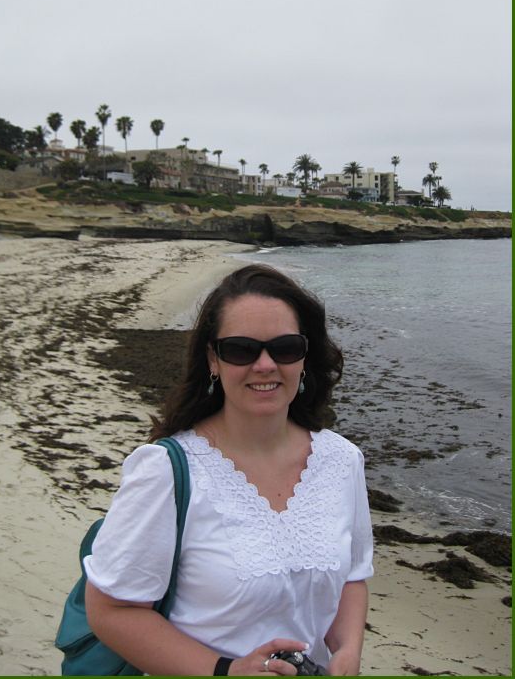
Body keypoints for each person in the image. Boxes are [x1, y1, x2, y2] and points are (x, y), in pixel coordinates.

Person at [84, 264, 374, 676]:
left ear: (305, 357)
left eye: (285, 347)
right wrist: (225, 670)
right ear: (212, 360)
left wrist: (347, 650)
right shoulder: (166, 471)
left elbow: (353, 577)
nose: (265, 365)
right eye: (241, 350)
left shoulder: (342, 461)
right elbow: (110, 609)